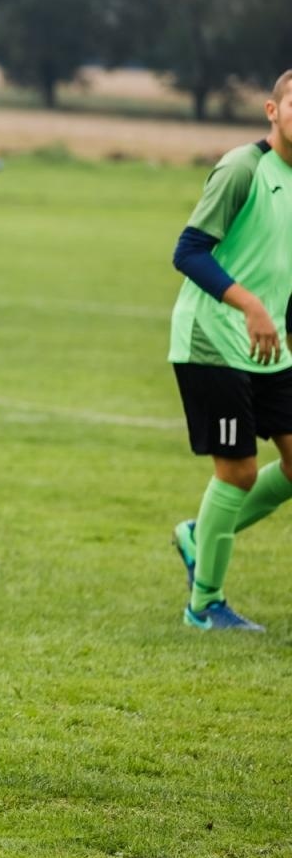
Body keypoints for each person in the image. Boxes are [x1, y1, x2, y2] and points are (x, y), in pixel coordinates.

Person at [168, 69, 292, 632]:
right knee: (239, 471)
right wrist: (251, 306)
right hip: (213, 339)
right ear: (273, 110)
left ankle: (200, 533)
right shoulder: (243, 167)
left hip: (270, 346)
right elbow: (189, 251)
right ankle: (204, 606)